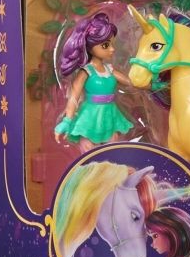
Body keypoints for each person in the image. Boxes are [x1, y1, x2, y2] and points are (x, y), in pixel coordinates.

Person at [54, 12, 133, 152]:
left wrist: (151, 82)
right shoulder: (86, 71)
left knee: (113, 148)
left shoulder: (110, 69)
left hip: (109, 115)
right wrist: (66, 121)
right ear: (90, 47)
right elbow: (74, 97)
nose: (112, 49)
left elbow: (130, 82)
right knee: (88, 150)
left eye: (112, 44)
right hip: (90, 116)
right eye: (106, 45)